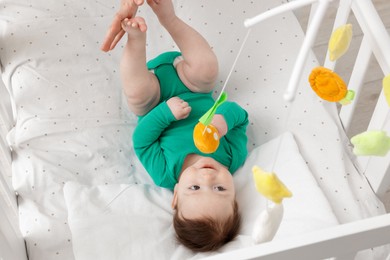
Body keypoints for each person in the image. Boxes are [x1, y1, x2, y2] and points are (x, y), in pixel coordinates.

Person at [120, 0, 248, 252]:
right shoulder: (232, 157)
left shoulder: (165, 173)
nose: (207, 176)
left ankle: (135, 40)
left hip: (153, 99)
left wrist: (165, 114)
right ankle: (170, 19)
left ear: (176, 194)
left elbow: (142, 141)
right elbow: (239, 116)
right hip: (192, 83)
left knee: (135, 94)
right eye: (219, 188)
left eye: (195, 188)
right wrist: (221, 123)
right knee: (207, 68)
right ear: (234, 195)